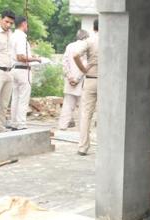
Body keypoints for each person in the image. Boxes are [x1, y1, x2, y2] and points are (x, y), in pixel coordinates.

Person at [9, 16, 40, 130]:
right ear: (23, 24)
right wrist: (35, 59)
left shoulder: (12, 36)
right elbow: (21, 56)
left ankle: (14, 122)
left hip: (13, 69)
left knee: (16, 97)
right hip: (22, 70)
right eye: (27, 24)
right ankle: (21, 124)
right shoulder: (21, 37)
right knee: (23, 97)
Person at [73, 19, 98, 156]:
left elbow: (76, 54)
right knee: (106, 115)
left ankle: (83, 147)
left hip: (91, 78)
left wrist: (83, 69)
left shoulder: (90, 40)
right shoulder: (110, 39)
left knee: (86, 114)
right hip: (107, 81)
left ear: (94, 28)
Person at [58, 29, 89, 130]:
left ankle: (62, 126)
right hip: (81, 80)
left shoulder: (69, 46)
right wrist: (77, 78)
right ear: (85, 37)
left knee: (67, 105)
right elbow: (85, 64)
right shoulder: (86, 47)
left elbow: (64, 62)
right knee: (83, 107)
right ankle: (82, 129)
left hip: (69, 80)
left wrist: (69, 76)